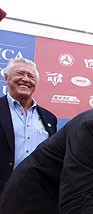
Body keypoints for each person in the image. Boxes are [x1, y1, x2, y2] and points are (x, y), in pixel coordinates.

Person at [0, 57, 57, 195]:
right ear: (7, 78)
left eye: (31, 76)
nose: (25, 79)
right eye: (20, 73)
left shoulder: (49, 118)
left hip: (36, 196)